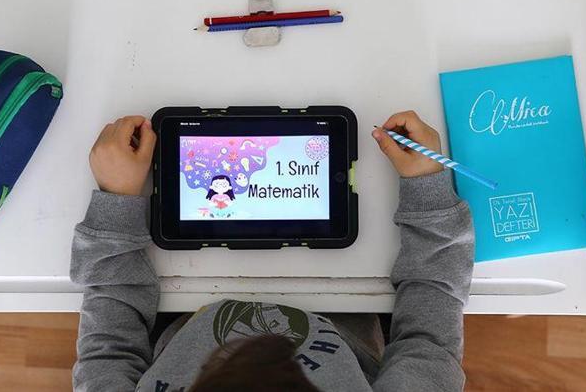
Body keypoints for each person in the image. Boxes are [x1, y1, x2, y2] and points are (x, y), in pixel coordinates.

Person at [70, 111, 474, 391]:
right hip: (347, 322)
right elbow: (430, 336)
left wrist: (117, 202)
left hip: (180, 319)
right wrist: (427, 188)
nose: (266, 341)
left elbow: (108, 350)